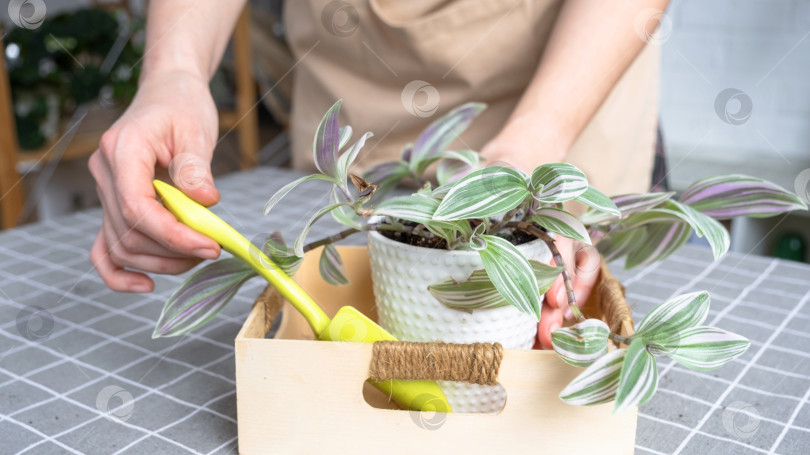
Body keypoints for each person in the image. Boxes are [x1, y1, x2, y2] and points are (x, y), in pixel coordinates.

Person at [89, 0, 669, 349]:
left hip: (564, 80)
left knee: (548, 311)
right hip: (356, 81)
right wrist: (175, 71)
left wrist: (532, 153)